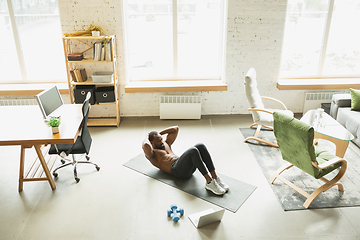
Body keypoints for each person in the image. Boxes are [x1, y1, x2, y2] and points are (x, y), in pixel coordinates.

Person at [142, 126, 229, 195]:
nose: (161, 141)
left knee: (200, 145)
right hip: (177, 171)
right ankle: (209, 182)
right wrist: (147, 137)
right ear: (152, 142)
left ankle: (215, 177)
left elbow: (175, 129)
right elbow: (146, 144)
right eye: (158, 140)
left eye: (161, 139)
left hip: (184, 166)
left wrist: (159, 134)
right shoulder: (152, 154)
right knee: (193, 151)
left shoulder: (166, 143)